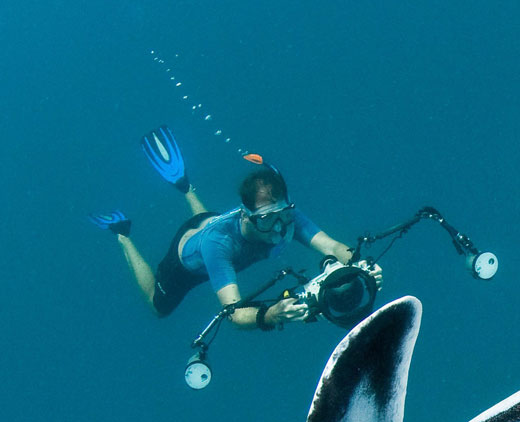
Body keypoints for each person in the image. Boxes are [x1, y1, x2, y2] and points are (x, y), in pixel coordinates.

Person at [90, 126, 379, 330]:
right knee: (158, 307)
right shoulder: (219, 247)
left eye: (283, 214)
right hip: (188, 258)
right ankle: (122, 234)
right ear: (246, 216)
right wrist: (271, 315)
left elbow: (332, 246)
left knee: (209, 220)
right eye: (267, 219)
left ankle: (184, 186)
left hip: (211, 224)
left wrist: (360, 266)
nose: (279, 227)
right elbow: (233, 312)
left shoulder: (285, 216)